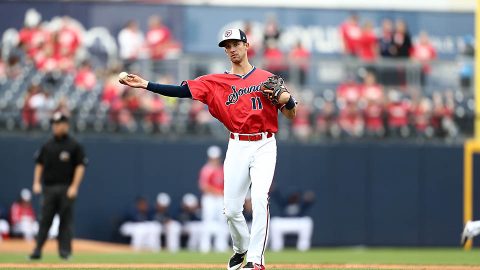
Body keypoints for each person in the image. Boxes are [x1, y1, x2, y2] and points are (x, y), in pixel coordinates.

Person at [119, 28, 297, 270]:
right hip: (237, 144)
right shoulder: (214, 83)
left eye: (235, 43)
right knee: (232, 210)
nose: (232, 49)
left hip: (265, 143)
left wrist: (289, 100)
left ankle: (256, 260)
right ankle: (241, 248)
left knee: (259, 198)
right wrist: (147, 85)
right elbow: (182, 91)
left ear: (246, 45)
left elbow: (290, 115)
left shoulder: (267, 78)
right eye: (227, 46)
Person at [29, 112, 87, 260]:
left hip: (66, 188)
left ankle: (65, 251)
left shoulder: (74, 145)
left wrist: (74, 186)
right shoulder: (47, 145)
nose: (55, 127)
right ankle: (37, 250)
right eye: (53, 124)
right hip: (49, 188)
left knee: (66, 220)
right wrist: (36, 182)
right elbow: (39, 164)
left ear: (66, 125)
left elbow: (80, 166)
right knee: (45, 220)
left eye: (58, 124)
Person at [198, 145, 229, 253]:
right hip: (210, 198)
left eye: (216, 158)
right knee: (207, 221)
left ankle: (221, 245)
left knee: (223, 221)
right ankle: (205, 245)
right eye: (213, 158)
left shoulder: (222, 169)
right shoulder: (206, 169)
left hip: (220, 199)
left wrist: (223, 193)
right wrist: (218, 192)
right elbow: (203, 186)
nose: (214, 160)